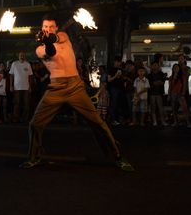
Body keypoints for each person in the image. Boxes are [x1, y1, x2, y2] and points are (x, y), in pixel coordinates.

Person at [20, 13, 133, 171]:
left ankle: (118, 156)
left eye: (51, 27)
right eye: (45, 27)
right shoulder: (40, 50)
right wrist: (46, 41)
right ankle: (34, 156)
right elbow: (51, 52)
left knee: (97, 122)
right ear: (42, 28)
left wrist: (49, 38)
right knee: (34, 124)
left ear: (56, 28)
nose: (48, 29)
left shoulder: (63, 35)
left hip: (75, 87)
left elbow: (55, 40)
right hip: (55, 88)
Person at [9, 51, 33, 123]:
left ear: (24, 56)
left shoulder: (27, 64)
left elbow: (30, 76)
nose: (22, 56)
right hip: (17, 87)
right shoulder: (14, 64)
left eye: (23, 55)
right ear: (18, 56)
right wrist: (11, 85)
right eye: (20, 55)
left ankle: (25, 119)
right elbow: (11, 75)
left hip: (26, 87)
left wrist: (30, 86)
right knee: (17, 104)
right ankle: (16, 119)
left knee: (26, 104)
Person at [168, 63, 191, 128]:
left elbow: (184, 86)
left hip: (180, 94)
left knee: (185, 109)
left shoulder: (182, 76)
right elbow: (170, 87)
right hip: (173, 94)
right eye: (174, 67)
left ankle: (188, 122)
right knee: (174, 109)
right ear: (173, 69)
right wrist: (169, 95)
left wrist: (183, 94)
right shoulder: (171, 77)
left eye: (177, 67)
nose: (176, 68)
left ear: (179, 69)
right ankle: (175, 122)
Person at [147, 61, 167, 126]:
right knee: (153, 107)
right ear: (151, 66)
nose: (155, 66)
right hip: (152, 93)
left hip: (159, 93)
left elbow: (163, 82)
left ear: (158, 66)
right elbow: (149, 84)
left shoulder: (161, 74)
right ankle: (154, 121)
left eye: (156, 65)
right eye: (153, 65)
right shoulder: (149, 75)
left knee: (160, 107)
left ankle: (162, 121)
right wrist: (156, 83)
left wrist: (157, 83)